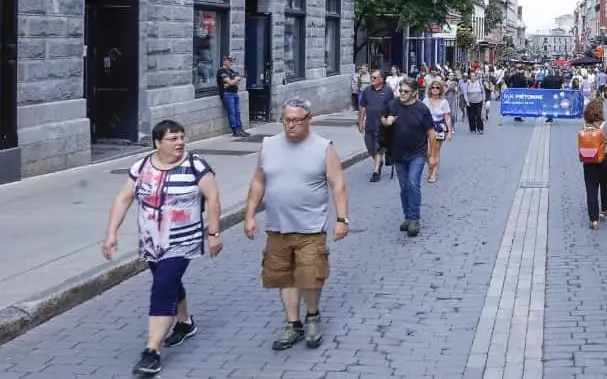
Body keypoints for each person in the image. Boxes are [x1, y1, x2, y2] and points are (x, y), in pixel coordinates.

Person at [102, 119, 223, 375]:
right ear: (158, 143)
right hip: (151, 242)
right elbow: (124, 198)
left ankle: (152, 351)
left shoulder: (195, 165)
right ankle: (185, 323)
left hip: (182, 241)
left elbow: (212, 197)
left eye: (181, 137)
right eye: (172, 138)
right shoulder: (142, 166)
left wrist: (213, 232)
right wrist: (111, 233)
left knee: (162, 287)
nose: (179, 143)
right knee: (167, 281)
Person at [244, 98, 350, 351]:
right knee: (284, 277)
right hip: (277, 227)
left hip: (310, 228)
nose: (290, 125)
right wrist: (249, 215)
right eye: (286, 120)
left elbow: (338, 185)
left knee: (310, 277)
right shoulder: (268, 145)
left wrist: (342, 218)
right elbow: (258, 182)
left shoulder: (324, 148)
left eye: (296, 120)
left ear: (308, 120)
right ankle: (293, 324)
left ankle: (312, 316)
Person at [382, 78, 436, 236]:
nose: (402, 94)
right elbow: (382, 120)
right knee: (404, 187)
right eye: (400, 91)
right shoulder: (393, 105)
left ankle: (414, 219)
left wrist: (432, 157)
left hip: (417, 153)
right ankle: (407, 216)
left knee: (413, 183)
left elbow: (431, 134)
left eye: (406, 91)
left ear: (414, 93)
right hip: (398, 153)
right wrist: (387, 122)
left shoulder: (422, 109)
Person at [578, 97, 607, 229]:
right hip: (606, 159)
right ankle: (604, 210)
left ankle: (593, 220)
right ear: (601, 112)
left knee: (591, 189)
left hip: (589, 160)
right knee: (605, 185)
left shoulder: (585, 127)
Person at [357, 69, 394, 182]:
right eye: (371, 77)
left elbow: (392, 108)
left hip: (381, 126)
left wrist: (390, 121)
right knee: (370, 149)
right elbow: (363, 106)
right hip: (370, 124)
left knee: (378, 148)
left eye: (374, 77)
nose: (371, 79)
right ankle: (379, 161)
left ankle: (376, 172)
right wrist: (360, 121)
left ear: (381, 79)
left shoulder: (388, 91)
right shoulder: (367, 91)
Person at [423, 80, 455, 183]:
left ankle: (433, 174)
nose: (435, 90)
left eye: (437, 88)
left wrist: (449, 131)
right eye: (433, 88)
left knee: (435, 152)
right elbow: (420, 115)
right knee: (427, 153)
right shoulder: (425, 101)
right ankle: (431, 168)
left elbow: (447, 117)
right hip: (427, 128)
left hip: (439, 128)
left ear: (440, 90)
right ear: (430, 89)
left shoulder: (444, 102)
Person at [216, 56, 249, 137]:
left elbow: (235, 82)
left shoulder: (231, 70)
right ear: (224, 61)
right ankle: (235, 130)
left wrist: (232, 81)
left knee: (237, 112)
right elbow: (231, 82)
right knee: (232, 112)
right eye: (229, 61)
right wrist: (234, 80)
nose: (231, 63)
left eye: (231, 61)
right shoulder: (221, 71)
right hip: (227, 94)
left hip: (234, 93)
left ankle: (240, 129)